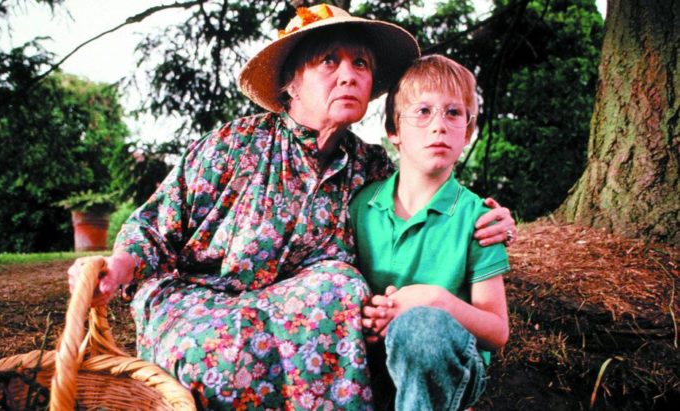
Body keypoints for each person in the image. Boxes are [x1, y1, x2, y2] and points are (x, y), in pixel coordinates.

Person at [67, 5, 516, 410]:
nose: (349, 75)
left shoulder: (370, 167)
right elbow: (155, 223)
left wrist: (497, 219)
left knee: (339, 285)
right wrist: (120, 266)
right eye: (329, 61)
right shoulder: (234, 144)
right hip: (199, 298)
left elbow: (427, 191)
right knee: (221, 356)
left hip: (295, 312)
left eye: (360, 63)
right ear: (291, 83)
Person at [349, 54, 511, 411]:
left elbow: (497, 331)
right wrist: (376, 314)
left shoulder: (479, 218)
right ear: (394, 131)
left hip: (446, 360)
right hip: (372, 360)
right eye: (422, 112)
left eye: (453, 113)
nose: (438, 125)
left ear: (468, 132)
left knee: (422, 327)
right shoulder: (361, 206)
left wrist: (434, 300)